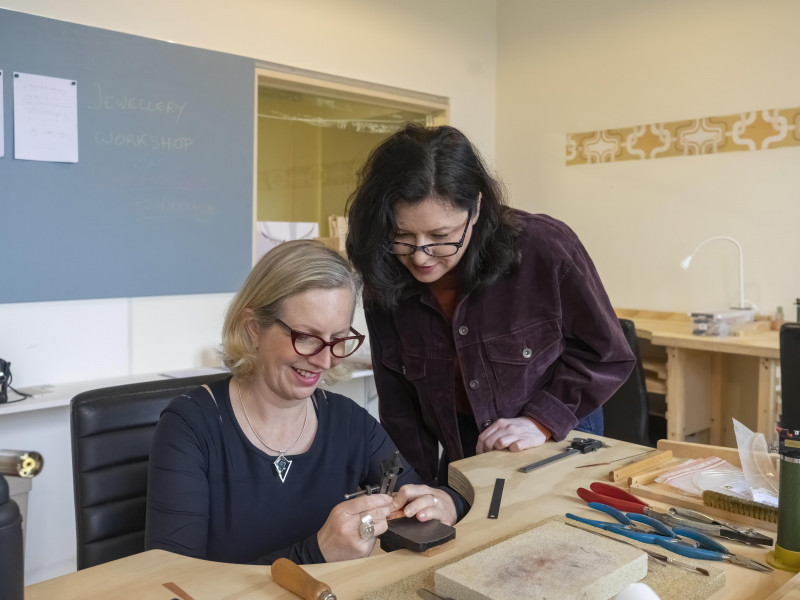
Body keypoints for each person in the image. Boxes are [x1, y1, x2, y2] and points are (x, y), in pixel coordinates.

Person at [145, 240, 467, 565]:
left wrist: (442, 503)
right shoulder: (190, 426)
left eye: (339, 339)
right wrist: (315, 552)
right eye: (308, 338)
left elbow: (417, 500)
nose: (326, 361)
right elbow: (171, 582)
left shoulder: (350, 423)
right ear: (254, 328)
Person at [345, 124, 635, 485]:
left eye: (441, 236)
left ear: (477, 208)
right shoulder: (386, 272)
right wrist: (410, 490)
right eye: (402, 236)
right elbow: (399, 407)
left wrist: (539, 421)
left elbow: (607, 354)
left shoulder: (544, 248)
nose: (420, 257)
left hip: (558, 443)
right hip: (466, 454)